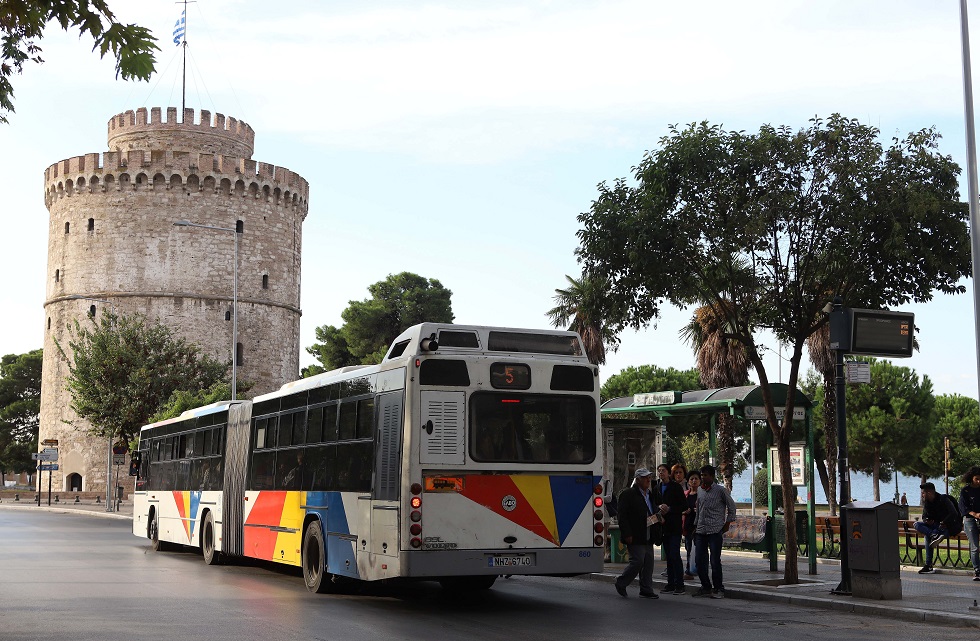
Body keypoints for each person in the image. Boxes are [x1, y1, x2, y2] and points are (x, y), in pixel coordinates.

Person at [614, 468, 661, 599]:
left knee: (648, 562)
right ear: (638, 479)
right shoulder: (628, 494)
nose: (648, 480)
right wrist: (627, 533)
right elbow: (622, 516)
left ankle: (646, 589)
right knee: (638, 561)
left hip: (649, 533)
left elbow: (652, 510)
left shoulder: (649, 494)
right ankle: (621, 582)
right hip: (635, 534)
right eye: (645, 477)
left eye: (649, 477)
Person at [692, 464, 736, 598]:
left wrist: (727, 523)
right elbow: (699, 509)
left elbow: (732, 507)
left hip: (715, 530)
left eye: (705, 475)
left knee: (715, 560)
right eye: (702, 475)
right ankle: (705, 586)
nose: (703, 478)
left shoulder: (720, 491)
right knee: (699, 560)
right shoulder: (700, 490)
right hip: (700, 530)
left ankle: (718, 588)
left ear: (711, 476)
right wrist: (695, 526)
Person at [914, 481, 958, 574]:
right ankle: (934, 534)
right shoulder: (927, 503)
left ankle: (928, 565)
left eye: (923, 493)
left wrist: (944, 522)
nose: (922, 495)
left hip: (948, 526)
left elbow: (954, 513)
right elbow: (924, 516)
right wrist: (926, 520)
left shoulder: (943, 499)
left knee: (927, 536)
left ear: (929, 493)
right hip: (935, 527)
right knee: (917, 524)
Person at [660, 464, 690, 594]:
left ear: (668, 473)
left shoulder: (676, 487)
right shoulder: (657, 488)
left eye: (663, 471)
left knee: (675, 555)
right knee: (669, 556)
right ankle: (670, 583)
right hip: (663, 527)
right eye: (659, 471)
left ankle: (680, 584)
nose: (661, 473)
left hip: (675, 526)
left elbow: (684, 505)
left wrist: (670, 509)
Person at [959, 466, 980, 581]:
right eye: (977, 479)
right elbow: (963, 508)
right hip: (970, 520)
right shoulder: (965, 491)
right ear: (971, 478)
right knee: (975, 547)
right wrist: (975, 514)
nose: (978, 482)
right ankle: (977, 570)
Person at [683, 470, 701, 580]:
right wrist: (684, 512)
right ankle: (689, 571)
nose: (694, 481)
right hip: (688, 526)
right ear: (688, 481)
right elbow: (680, 509)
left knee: (699, 549)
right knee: (689, 548)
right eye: (691, 479)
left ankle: (697, 570)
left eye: (696, 479)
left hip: (699, 526)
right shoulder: (685, 494)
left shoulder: (702, 494)